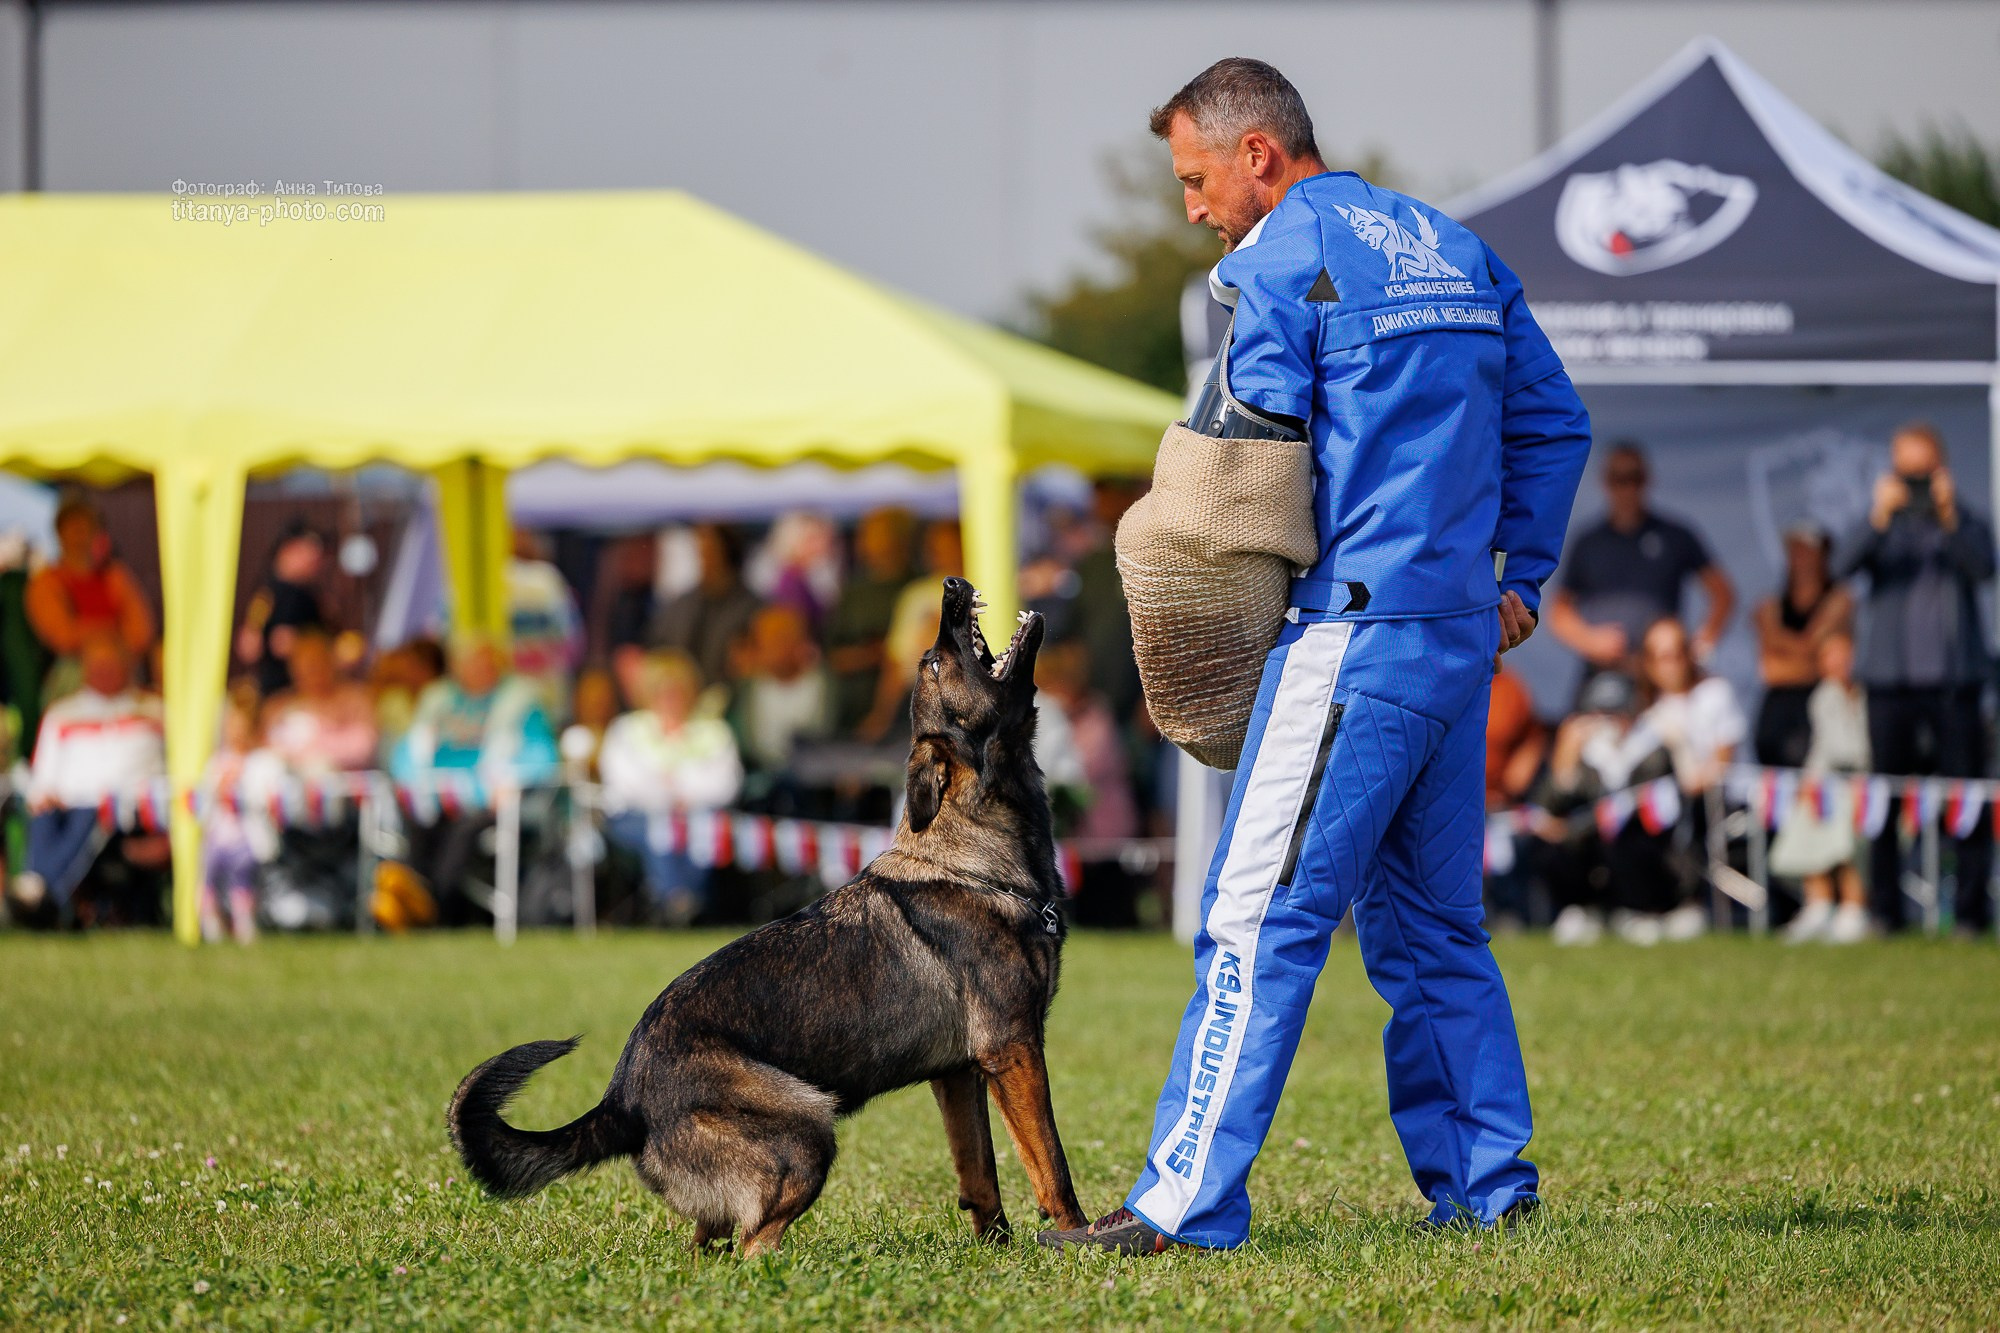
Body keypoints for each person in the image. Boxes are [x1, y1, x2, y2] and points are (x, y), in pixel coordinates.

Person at [1039, 60, 1591, 1255]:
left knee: (1252, 919)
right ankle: (1488, 1193)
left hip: (1348, 638)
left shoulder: (1279, 258)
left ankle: (1181, 1207)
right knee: (1437, 931)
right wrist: (1518, 575)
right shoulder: (1451, 245)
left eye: (1194, 179)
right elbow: (1553, 418)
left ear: (1259, 155)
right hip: (1453, 637)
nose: (1190, 208)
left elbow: (1251, 451)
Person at [1839, 422, 1996, 935]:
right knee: (1885, 798)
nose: (1915, 485)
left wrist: (1949, 515)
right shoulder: (1883, 526)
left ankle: (1971, 913)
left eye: (1922, 474)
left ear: (1942, 470)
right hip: (1890, 684)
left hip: (1954, 683)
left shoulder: (1963, 520)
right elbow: (1840, 565)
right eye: (1905, 474)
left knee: (1966, 799)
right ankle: (1886, 912)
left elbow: (1984, 568)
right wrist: (1879, 516)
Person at [382, 634, 559, 925]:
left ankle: (432, 903)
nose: (477, 670)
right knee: (412, 813)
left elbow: (543, 756)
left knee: (463, 829)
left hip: (487, 798)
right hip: (437, 794)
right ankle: (414, 893)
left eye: (484, 663)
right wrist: (414, 783)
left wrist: (511, 780)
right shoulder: (439, 701)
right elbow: (407, 752)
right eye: (470, 663)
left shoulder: (519, 703)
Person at [1546, 443, 1734, 695]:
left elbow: (1722, 592)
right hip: (1602, 674)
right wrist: (1590, 640)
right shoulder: (1588, 541)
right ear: (1606, 483)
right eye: (1619, 479)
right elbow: (1559, 611)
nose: (1628, 488)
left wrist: (1698, 648)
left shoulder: (1675, 535)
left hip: (1661, 678)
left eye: (1635, 478)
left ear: (1647, 481)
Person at [15, 633, 168, 924]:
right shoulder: (63, 713)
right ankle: (45, 894)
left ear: (127, 667)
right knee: (45, 812)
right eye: (98, 666)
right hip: (67, 804)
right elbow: (43, 775)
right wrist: (44, 794)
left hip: (127, 808)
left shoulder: (153, 711)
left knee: (92, 811)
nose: (105, 673)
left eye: (112, 666)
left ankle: (37, 894)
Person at [1623, 616, 1747, 943]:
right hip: (1665, 800)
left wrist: (1689, 774)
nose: (1672, 665)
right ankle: (1646, 907)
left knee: (1683, 809)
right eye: (1661, 657)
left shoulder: (1715, 693)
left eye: (1677, 653)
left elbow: (1723, 759)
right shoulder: (1650, 713)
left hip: (1717, 799)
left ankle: (1690, 902)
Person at [599, 650, 744, 923]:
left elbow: (726, 786)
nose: (672, 699)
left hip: (697, 816)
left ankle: (676, 903)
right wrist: (676, 793)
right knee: (662, 829)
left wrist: (674, 788)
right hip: (635, 818)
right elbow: (624, 784)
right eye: (664, 692)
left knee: (700, 828)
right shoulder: (627, 729)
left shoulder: (713, 732)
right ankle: (680, 902)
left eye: (678, 691)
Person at [1771, 633, 1871, 944]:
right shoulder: (1824, 696)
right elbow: (1830, 748)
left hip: (1863, 785)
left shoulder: (1868, 696)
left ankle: (1854, 908)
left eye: (1844, 654)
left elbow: (1858, 750)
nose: (1839, 663)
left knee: (1848, 837)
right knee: (1809, 830)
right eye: (1830, 656)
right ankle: (1819, 905)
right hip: (1827, 783)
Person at [25, 498, 155, 704]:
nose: (79, 535)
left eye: (85, 527)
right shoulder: (47, 582)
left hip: (123, 666)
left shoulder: (115, 576)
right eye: (73, 528)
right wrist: (107, 638)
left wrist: (112, 647)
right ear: (60, 533)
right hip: (76, 671)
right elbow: (62, 635)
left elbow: (141, 629)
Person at [1752, 523, 1853, 768]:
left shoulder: (1840, 599)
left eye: (1808, 549)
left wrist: (1780, 642)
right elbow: (1770, 669)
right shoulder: (1772, 604)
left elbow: (1820, 656)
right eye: (1794, 549)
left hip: (1821, 703)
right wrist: (1811, 655)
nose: (1801, 557)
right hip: (1777, 709)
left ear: (1824, 555)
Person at [198, 685, 284, 945]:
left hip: (248, 836)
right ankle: (210, 918)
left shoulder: (264, 762)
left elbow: (269, 798)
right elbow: (203, 799)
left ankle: (243, 918)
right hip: (219, 834)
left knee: (242, 873)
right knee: (208, 870)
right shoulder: (216, 763)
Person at [825, 507, 915, 734]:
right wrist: (872, 654)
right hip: (853, 709)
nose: (866, 543)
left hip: (908, 711)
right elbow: (832, 655)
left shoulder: (917, 588)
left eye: (874, 535)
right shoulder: (854, 593)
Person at [646, 523, 760, 692]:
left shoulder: (752, 608)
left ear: (727, 554)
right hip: (679, 700)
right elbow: (656, 648)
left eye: (708, 553)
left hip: (730, 697)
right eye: (700, 553)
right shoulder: (682, 605)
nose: (703, 560)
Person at [729, 603, 832, 785]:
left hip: (816, 787)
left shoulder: (826, 684)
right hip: (758, 786)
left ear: (800, 642)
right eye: (764, 639)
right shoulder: (745, 689)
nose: (770, 647)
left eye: (779, 639)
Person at [234, 522, 328, 698]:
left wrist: (302, 642)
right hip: (276, 686)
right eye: (304, 552)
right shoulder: (267, 593)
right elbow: (249, 642)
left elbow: (323, 637)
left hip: (310, 686)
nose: (313, 560)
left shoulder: (311, 597)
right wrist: (255, 636)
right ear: (286, 552)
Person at [507, 529, 585, 723]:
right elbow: (573, 641)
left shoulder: (481, 581)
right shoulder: (548, 579)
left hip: (498, 698)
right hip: (546, 696)